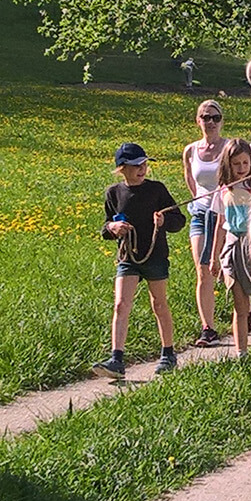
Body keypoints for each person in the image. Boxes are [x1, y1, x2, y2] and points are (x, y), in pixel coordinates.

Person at [96, 143, 188, 378]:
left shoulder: (157, 190)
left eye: (144, 164)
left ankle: (168, 353)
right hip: (128, 257)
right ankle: (117, 358)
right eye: (136, 165)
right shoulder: (113, 193)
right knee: (120, 304)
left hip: (155, 255)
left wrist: (163, 222)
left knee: (159, 303)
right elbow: (105, 228)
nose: (142, 169)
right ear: (122, 168)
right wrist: (113, 227)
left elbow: (179, 220)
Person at [207, 139, 251, 356]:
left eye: (245, 163)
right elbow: (220, 225)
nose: (241, 169)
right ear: (228, 165)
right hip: (233, 246)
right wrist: (213, 257)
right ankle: (241, 354)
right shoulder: (223, 190)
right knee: (240, 305)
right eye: (236, 164)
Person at [181, 100, 226, 347]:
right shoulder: (190, 150)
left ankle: (245, 307)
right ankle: (207, 328)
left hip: (227, 215)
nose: (210, 122)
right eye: (205, 117)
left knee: (227, 269)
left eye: (215, 118)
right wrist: (200, 200)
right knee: (203, 269)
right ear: (198, 120)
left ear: (222, 121)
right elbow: (190, 179)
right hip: (200, 214)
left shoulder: (229, 148)